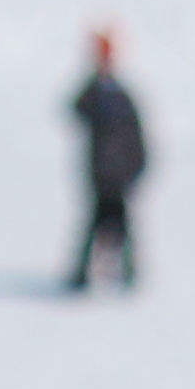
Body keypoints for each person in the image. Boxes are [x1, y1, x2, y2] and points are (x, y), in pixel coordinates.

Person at [68, 29, 146, 293]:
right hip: (100, 174)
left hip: (120, 175)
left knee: (124, 227)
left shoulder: (122, 97)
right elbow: (75, 109)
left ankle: (128, 274)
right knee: (93, 224)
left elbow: (137, 138)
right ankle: (80, 276)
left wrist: (136, 168)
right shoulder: (95, 93)